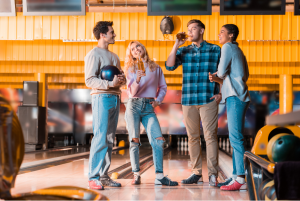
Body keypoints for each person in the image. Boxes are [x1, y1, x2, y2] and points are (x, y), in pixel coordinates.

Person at [165, 19, 222, 187]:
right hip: (188, 100)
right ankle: (196, 173)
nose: (189, 32)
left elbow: (225, 72)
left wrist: (221, 93)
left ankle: (213, 174)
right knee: (192, 138)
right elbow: (169, 66)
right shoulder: (184, 50)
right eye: (188, 29)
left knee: (210, 136)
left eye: (193, 29)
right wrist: (177, 44)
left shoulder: (215, 49)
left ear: (202, 30)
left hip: (208, 98)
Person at [124, 41, 178, 186]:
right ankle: (136, 174)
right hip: (133, 105)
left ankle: (159, 177)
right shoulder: (130, 68)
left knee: (159, 140)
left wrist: (158, 101)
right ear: (131, 53)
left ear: (143, 48)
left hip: (149, 107)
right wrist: (137, 79)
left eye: (138, 46)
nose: (136, 50)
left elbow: (163, 87)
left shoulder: (155, 67)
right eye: (132, 49)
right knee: (134, 141)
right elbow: (131, 92)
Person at [85, 21, 126, 190]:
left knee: (109, 139)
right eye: (111, 32)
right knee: (100, 137)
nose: (114, 35)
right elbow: (89, 80)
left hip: (115, 97)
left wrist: (121, 81)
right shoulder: (93, 54)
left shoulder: (114, 56)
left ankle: (104, 176)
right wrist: (109, 83)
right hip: (101, 98)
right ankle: (93, 177)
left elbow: (118, 80)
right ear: (103, 35)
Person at [209, 24, 250, 191]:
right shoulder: (239, 51)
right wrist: (218, 79)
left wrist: (215, 76)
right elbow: (241, 75)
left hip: (235, 97)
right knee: (235, 138)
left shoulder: (226, 47)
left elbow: (220, 71)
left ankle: (240, 178)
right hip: (239, 96)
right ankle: (234, 175)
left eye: (222, 32)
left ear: (231, 35)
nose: (219, 35)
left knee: (235, 138)